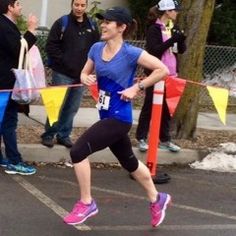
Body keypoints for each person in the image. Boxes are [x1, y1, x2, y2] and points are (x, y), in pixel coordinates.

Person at [63, 6, 172, 228]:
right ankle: (157, 199)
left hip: (119, 118)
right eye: (102, 21)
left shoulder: (131, 53)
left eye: (108, 22)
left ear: (121, 27)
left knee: (78, 151)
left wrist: (137, 87)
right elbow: (85, 71)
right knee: (129, 162)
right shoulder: (96, 48)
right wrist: (85, 78)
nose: (103, 25)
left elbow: (162, 70)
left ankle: (87, 202)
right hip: (105, 115)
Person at [41, 0, 100, 148]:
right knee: (56, 105)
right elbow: (51, 45)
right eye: (76, 5)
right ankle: (49, 134)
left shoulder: (92, 25)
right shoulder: (62, 22)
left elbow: (96, 47)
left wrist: (89, 69)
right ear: (72, 5)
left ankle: (64, 135)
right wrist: (63, 62)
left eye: (82, 5)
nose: (79, 8)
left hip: (81, 75)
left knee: (72, 107)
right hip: (62, 73)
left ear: (86, 6)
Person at [136, 0, 186, 153]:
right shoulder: (154, 29)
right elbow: (154, 51)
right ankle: (141, 138)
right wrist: (172, 40)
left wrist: (181, 40)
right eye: (174, 10)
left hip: (171, 74)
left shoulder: (174, 28)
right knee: (149, 105)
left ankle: (165, 140)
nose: (177, 13)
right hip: (155, 74)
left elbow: (180, 50)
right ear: (167, 12)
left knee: (167, 108)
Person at [0, 0, 37, 175]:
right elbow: (17, 49)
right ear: (10, 7)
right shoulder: (4, 25)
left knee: (4, 121)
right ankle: (14, 161)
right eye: (18, 3)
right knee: (8, 122)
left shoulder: (7, 24)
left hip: (6, 82)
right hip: (6, 83)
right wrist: (31, 30)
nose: (21, 7)